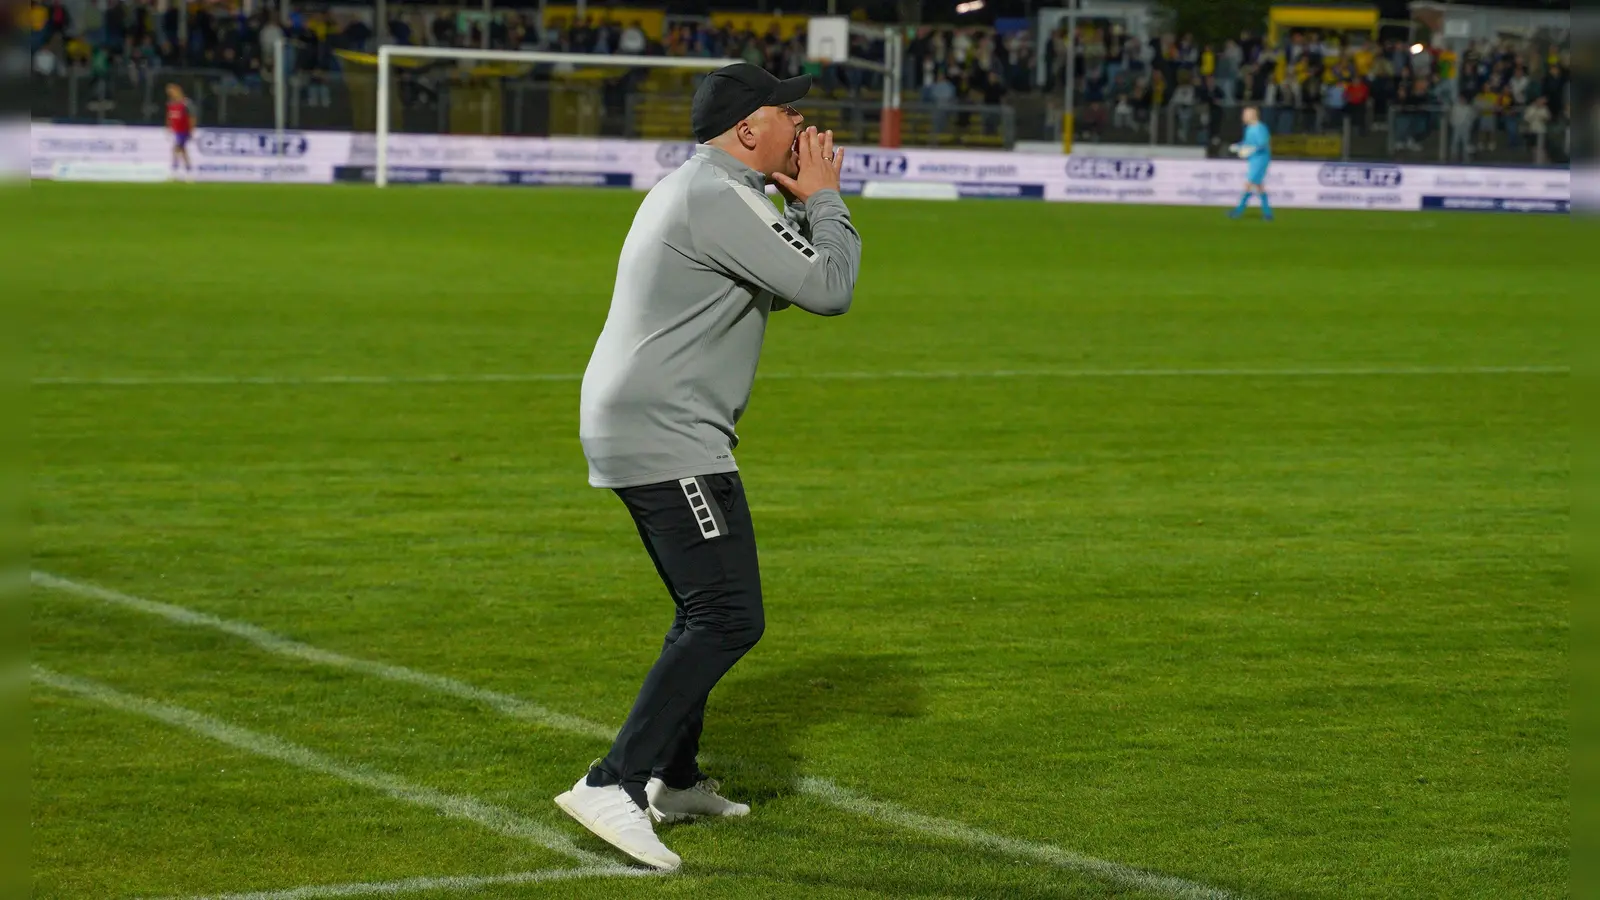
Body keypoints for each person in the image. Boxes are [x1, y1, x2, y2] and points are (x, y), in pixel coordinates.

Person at [556, 62, 862, 872]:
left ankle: (674, 777)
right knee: (728, 614)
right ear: (748, 130)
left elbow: (791, 283)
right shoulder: (716, 197)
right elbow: (829, 288)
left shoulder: (720, 192)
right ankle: (611, 781)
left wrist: (802, 203)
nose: (802, 124)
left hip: (655, 425)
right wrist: (826, 197)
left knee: (702, 606)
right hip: (664, 432)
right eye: (786, 111)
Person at [1228, 104, 1273, 221]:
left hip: (1261, 160)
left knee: (1249, 184)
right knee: (1259, 186)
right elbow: (1247, 142)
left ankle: (1238, 211)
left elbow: (1263, 144)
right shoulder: (1249, 128)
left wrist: (1251, 149)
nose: (1243, 116)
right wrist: (1238, 146)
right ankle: (1268, 213)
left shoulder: (1260, 128)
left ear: (1253, 115)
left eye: (1246, 114)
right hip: (1253, 159)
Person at [164, 83, 195, 179]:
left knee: (176, 148)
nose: (171, 94)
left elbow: (192, 117)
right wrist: (168, 127)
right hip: (176, 130)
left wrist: (191, 130)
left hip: (184, 130)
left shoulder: (186, 103)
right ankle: (188, 171)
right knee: (182, 150)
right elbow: (169, 116)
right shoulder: (170, 104)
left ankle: (174, 170)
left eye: (172, 92)